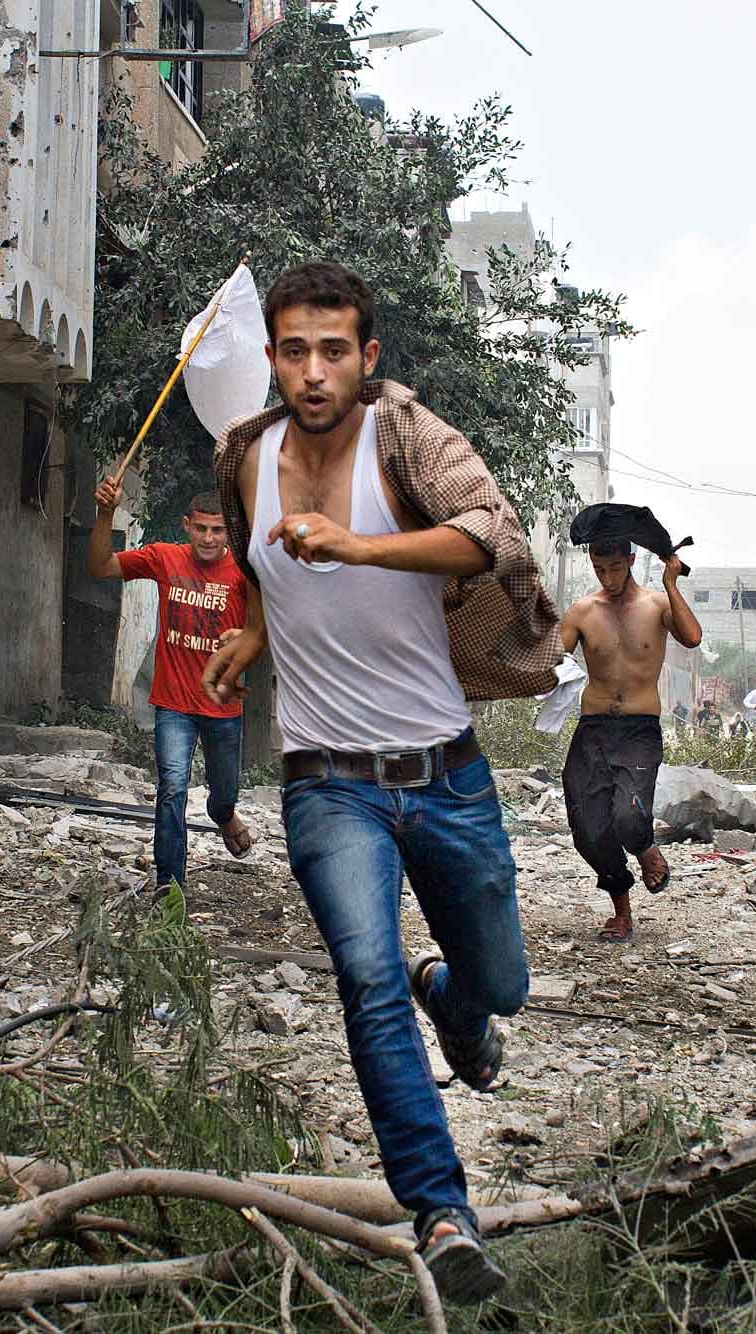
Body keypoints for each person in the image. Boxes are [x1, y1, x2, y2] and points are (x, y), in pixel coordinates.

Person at [201, 261, 558, 1304]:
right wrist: (252, 630)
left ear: (367, 357)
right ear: (273, 361)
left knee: (501, 984)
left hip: (444, 772)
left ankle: (452, 995)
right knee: (365, 976)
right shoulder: (244, 457)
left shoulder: (407, 437)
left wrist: (358, 545)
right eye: (294, 352)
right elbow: (261, 570)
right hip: (325, 783)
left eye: (333, 351)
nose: (313, 372)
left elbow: (493, 534)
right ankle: (441, 1212)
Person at [87, 481, 252, 889]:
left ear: (229, 532)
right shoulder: (164, 557)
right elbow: (100, 567)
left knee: (224, 795)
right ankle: (169, 888)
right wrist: (106, 513)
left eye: (217, 530)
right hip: (174, 704)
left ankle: (223, 815)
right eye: (201, 528)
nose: (209, 538)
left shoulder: (245, 572)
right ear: (186, 526)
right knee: (172, 788)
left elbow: (273, 622)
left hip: (222, 705)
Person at [558, 537, 703, 944]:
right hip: (592, 729)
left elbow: (692, 637)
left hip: (639, 729)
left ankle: (644, 846)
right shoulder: (583, 611)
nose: (608, 578)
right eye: (599, 569)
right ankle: (621, 911)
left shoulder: (656, 605)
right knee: (588, 829)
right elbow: (551, 660)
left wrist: (671, 583)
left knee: (629, 816)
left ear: (632, 560)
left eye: (616, 568)